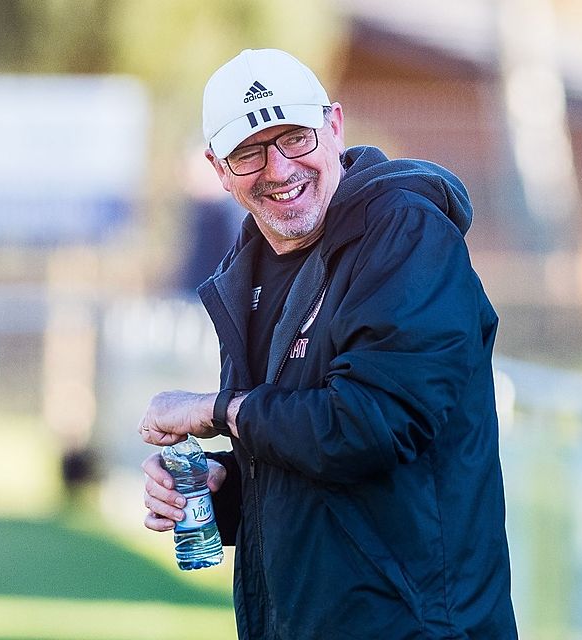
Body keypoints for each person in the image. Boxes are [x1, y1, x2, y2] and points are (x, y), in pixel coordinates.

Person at [138, 48, 518, 639]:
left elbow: (374, 424)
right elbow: (302, 457)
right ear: (218, 168)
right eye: (248, 151)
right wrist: (224, 488)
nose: (279, 168)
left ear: (334, 126)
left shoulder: (405, 233)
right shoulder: (252, 266)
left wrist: (216, 411)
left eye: (293, 137)